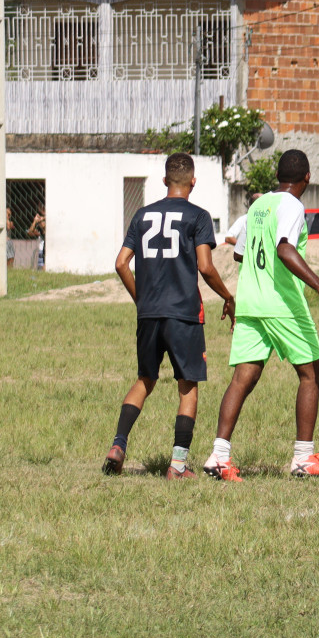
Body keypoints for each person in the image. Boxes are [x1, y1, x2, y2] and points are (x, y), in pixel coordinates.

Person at [206, 149, 319, 480]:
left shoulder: (259, 205)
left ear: (277, 177)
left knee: (243, 378)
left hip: (251, 302)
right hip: (281, 305)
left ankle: (218, 457)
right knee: (312, 375)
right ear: (307, 177)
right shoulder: (293, 206)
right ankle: (303, 458)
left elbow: (239, 253)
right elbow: (285, 248)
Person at [105, 153, 236, 480]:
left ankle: (118, 444)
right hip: (183, 315)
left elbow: (121, 263)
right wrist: (228, 295)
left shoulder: (142, 215)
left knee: (144, 380)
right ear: (193, 181)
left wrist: (142, 299)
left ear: (165, 181)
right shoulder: (199, 216)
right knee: (187, 385)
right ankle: (177, 465)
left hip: (149, 314)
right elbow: (205, 266)